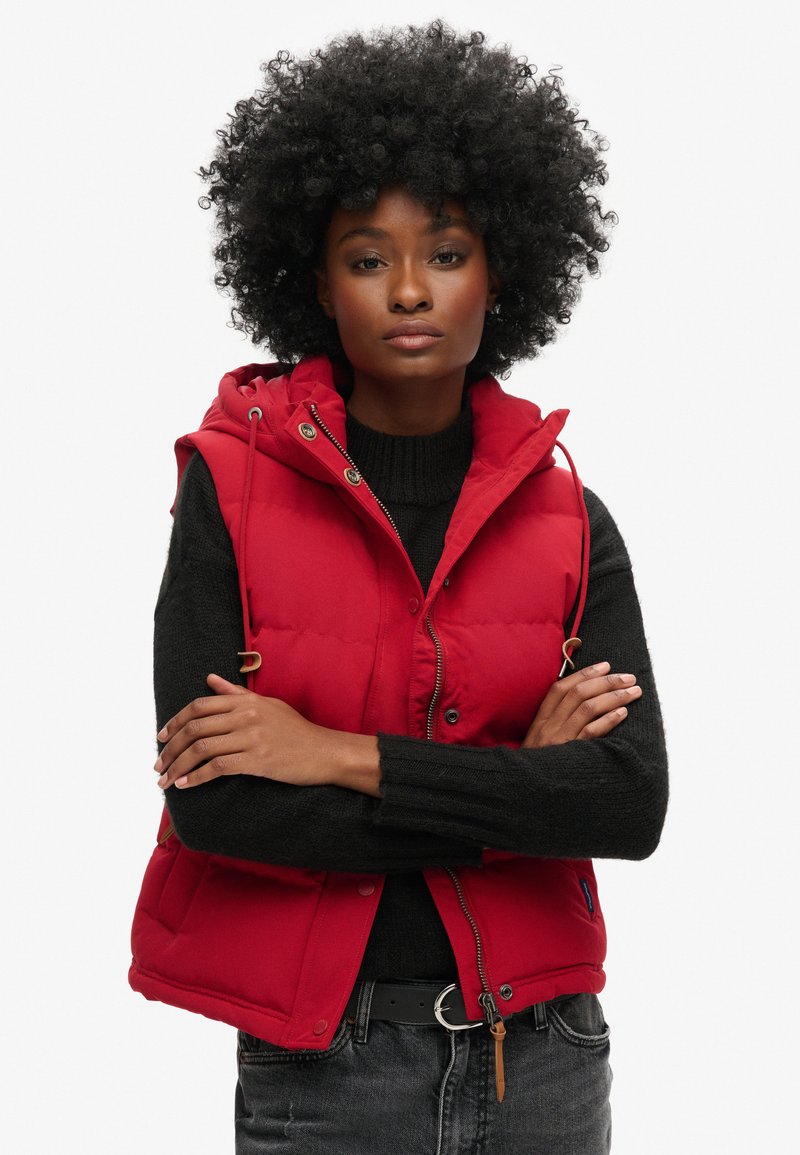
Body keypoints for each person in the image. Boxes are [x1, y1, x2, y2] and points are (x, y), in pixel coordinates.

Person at [129, 20, 668, 1153]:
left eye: (449, 253)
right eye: (369, 259)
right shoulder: (227, 492)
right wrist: (521, 787)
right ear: (316, 285)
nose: (412, 290)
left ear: (502, 271)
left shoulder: (572, 519)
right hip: (329, 1068)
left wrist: (333, 754)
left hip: (545, 1057)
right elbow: (219, 806)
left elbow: (625, 806)